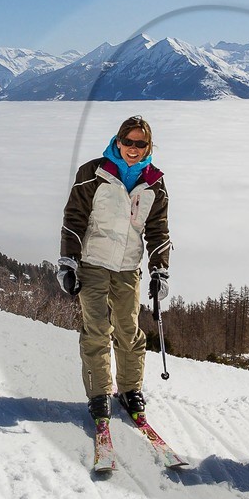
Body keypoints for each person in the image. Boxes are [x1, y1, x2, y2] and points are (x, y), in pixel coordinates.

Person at [58, 115, 172, 429]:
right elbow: (74, 219)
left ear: (149, 146)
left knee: (129, 332)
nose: (133, 149)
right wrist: (68, 261)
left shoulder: (154, 183)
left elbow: (158, 231)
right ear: (117, 141)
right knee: (96, 331)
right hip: (93, 263)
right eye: (128, 142)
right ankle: (99, 394)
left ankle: (130, 390)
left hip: (127, 268)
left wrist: (159, 271)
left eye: (141, 143)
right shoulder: (93, 172)